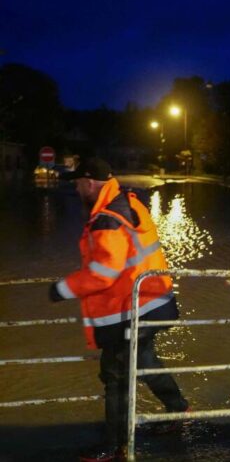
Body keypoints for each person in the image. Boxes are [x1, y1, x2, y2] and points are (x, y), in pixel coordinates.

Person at [49, 157, 189, 462]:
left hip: (135, 307)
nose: (76, 189)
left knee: (114, 374)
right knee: (143, 359)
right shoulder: (128, 201)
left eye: (77, 184)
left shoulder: (107, 218)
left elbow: (103, 272)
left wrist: (62, 289)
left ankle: (114, 446)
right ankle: (178, 409)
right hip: (153, 300)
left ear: (89, 182)